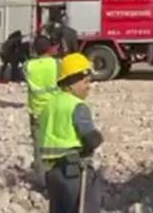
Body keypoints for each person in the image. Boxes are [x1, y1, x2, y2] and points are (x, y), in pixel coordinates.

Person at [37, 52, 103, 213]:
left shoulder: (49, 105)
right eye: (86, 82)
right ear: (72, 83)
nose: (89, 86)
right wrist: (98, 137)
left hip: (52, 172)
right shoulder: (77, 106)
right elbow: (91, 139)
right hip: (73, 171)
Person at [26, 35, 60, 183]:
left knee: (38, 145)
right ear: (49, 48)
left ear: (34, 49)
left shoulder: (28, 66)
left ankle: (41, 179)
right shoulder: (56, 64)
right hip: (54, 108)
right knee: (57, 141)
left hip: (36, 110)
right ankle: (57, 176)